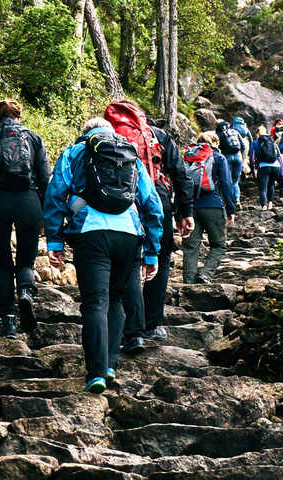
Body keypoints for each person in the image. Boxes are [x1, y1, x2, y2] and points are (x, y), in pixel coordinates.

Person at [43, 118, 163, 393]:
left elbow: (56, 193)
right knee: (117, 298)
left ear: (85, 134)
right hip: (130, 233)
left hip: (91, 232)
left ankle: (96, 373)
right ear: (112, 133)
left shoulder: (75, 152)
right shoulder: (131, 154)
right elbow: (152, 203)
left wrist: (54, 239)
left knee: (95, 303)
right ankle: (110, 365)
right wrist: (152, 252)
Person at [104, 101, 195, 353]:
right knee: (161, 259)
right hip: (158, 197)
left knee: (126, 262)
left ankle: (123, 326)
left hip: (117, 201)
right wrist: (184, 211)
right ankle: (150, 325)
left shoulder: (105, 134)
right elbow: (180, 174)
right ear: (143, 117)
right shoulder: (159, 135)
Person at [0, 99, 51, 339]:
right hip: (29, 201)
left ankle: (8, 321)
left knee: (3, 263)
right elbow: (46, 179)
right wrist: (46, 215)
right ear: (19, 118)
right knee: (26, 261)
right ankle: (25, 292)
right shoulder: (33, 139)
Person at [181, 131, 236, 284]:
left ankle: (188, 281)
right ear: (216, 143)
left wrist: (178, 211)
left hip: (189, 207)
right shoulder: (218, 157)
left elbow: (178, 184)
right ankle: (205, 274)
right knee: (219, 244)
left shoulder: (187, 157)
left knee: (190, 246)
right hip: (213, 205)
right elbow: (226, 184)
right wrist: (230, 209)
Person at [250, 125, 282, 210]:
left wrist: (254, 172)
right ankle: (270, 204)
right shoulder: (272, 142)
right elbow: (279, 157)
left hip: (263, 167)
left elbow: (252, 158)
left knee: (262, 188)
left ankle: (264, 206)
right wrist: (282, 172)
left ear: (257, 134)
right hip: (276, 167)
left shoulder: (255, 143)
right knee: (271, 185)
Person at [215, 120, 245, 207]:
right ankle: (237, 201)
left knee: (226, 180)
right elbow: (243, 145)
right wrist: (239, 154)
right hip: (238, 157)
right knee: (235, 182)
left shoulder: (219, 134)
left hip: (226, 158)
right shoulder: (235, 132)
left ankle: (225, 201)